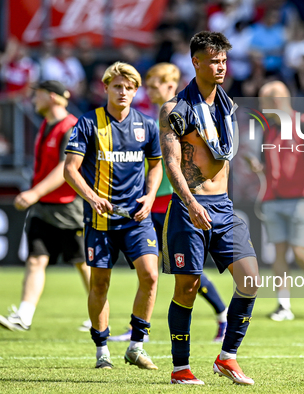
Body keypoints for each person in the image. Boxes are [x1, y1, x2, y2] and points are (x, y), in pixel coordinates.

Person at [159, 31, 259, 385]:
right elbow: (172, 164)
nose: (220, 67)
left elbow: (225, 153)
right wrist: (190, 202)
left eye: (224, 60)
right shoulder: (175, 109)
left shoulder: (228, 105)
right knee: (187, 287)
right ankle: (180, 368)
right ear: (196, 62)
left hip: (224, 207)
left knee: (250, 279)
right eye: (213, 60)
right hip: (190, 206)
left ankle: (227, 357)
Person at [109, 62, 228, 343]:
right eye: (147, 86)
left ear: (171, 85)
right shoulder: (151, 118)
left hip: (173, 203)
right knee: (151, 269)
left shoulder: (181, 116)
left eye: (154, 86)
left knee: (185, 267)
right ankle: (139, 329)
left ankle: (222, 315)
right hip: (154, 203)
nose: (148, 91)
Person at [63, 62, 162, 370]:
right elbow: (70, 170)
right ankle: (102, 348)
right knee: (100, 285)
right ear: (105, 88)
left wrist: (150, 194)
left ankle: (136, 345)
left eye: (129, 87)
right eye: (117, 86)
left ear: (136, 91)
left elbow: (156, 164)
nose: (123, 92)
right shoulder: (88, 123)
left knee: (150, 275)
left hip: (136, 217)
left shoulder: (147, 125)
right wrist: (92, 198)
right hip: (101, 220)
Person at [0, 80, 91, 332]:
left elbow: (65, 168)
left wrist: (34, 192)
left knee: (82, 263)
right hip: (43, 207)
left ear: (52, 97)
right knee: (36, 260)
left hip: (68, 206)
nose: (33, 99)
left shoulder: (70, 127)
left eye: (37, 95)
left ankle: (99, 314)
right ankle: (24, 316)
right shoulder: (46, 124)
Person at [246, 81, 304, 321]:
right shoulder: (268, 129)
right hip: (273, 199)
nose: (262, 107)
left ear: (277, 101)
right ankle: (284, 305)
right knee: (278, 253)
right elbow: (266, 165)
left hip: (301, 198)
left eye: (264, 102)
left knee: (300, 250)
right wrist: (257, 167)